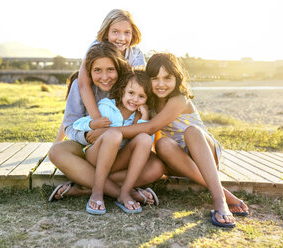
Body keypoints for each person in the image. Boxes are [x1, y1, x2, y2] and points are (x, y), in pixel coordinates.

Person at [86, 53, 249, 228]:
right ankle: (90, 186)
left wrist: (108, 130)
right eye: (155, 78)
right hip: (174, 161)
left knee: (192, 131)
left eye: (167, 78)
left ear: (177, 78)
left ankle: (221, 199)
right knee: (162, 144)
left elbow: (150, 128)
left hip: (204, 155)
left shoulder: (179, 99)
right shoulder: (149, 100)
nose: (161, 84)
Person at [48, 42, 163, 207]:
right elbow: (71, 125)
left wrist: (138, 120)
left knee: (156, 167)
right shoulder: (97, 98)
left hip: (122, 155)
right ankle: (123, 193)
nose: (104, 77)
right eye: (97, 70)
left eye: (110, 70)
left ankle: (83, 187)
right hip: (94, 149)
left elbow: (145, 136)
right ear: (89, 71)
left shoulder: (134, 88)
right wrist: (89, 133)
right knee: (56, 151)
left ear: (119, 69)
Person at [55, 9, 145, 142]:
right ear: (106, 33)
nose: (121, 38)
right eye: (115, 32)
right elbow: (83, 83)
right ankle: (57, 142)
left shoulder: (135, 53)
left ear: (133, 34)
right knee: (77, 102)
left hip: (121, 92)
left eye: (127, 33)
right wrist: (97, 122)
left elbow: (142, 85)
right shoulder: (96, 47)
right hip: (97, 90)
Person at [73, 70, 154, 214]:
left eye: (141, 96)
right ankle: (97, 192)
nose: (135, 99)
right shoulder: (106, 106)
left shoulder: (139, 116)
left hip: (117, 161)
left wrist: (144, 118)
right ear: (122, 90)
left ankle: (124, 192)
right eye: (131, 93)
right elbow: (77, 124)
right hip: (95, 156)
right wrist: (93, 125)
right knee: (114, 135)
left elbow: (147, 145)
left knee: (145, 138)